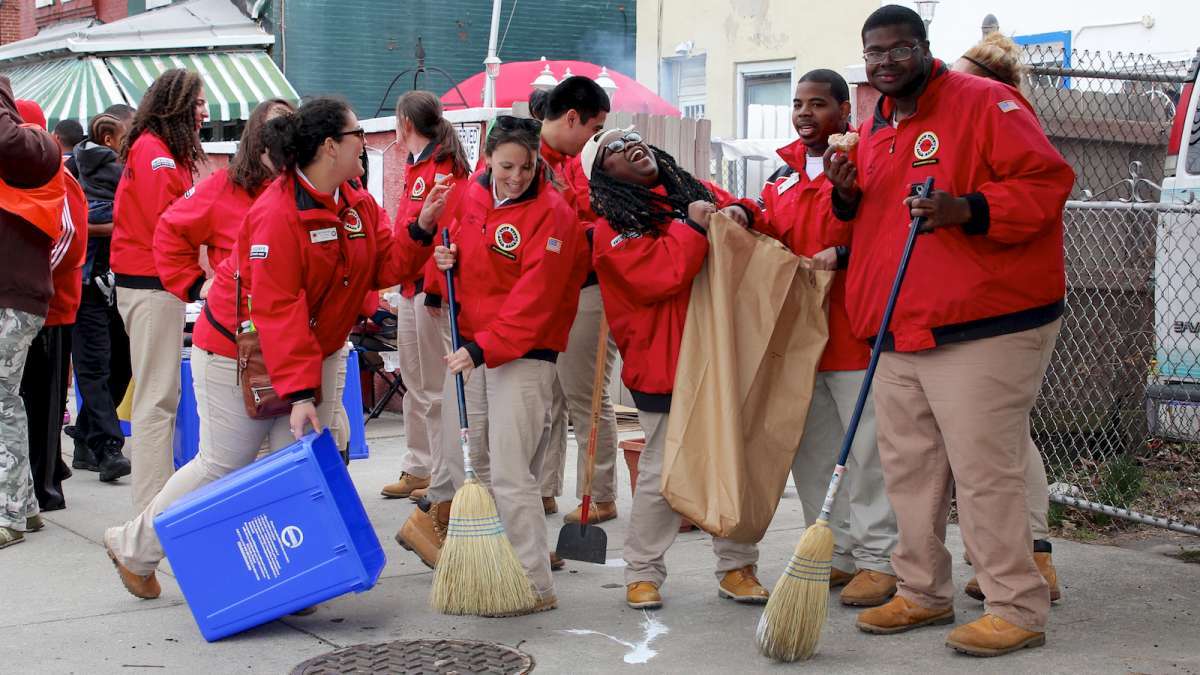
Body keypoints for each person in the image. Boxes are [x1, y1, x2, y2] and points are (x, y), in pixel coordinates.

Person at [104, 95, 438, 599]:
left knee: (296, 462)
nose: (366, 146)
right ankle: (134, 547)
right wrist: (302, 393)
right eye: (356, 137)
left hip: (310, 352)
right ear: (329, 146)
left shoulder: (353, 200)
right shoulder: (276, 213)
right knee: (223, 462)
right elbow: (276, 310)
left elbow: (382, 265)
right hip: (240, 352)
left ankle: (292, 578)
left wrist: (420, 230)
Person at [827, 5, 1073, 657]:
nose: (884, 63)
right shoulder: (875, 127)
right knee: (911, 467)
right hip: (900, 323)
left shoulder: (983, 102)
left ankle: (1015, 603)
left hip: (984, 320)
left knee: (983, 467)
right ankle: (922, 589)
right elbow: (877, 223)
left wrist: (968, 208)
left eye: (897, 50)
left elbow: (1046, 184)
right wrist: (846, 197)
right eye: (872, 53)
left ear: (923, 47)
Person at [583, 125, 768, 610]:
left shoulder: (694, 193)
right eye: (613, 151)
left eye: (629, 137)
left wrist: (740, 211)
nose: (628, 146)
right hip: (663, 366)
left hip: (721, 354)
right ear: (605, 176)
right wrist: (693, 225)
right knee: (663, 473)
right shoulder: (611, 229)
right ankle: (642, 571)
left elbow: (758, 214)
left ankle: (737, 566)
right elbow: (661, 275)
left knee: (733, 463)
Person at [423, 115, 586, 615]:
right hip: (474, 345)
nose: (516, 176)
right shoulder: (469, 197)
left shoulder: (553, 215)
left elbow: (535, 299)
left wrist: (481, 347)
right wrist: (443, 258)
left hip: (523, 353)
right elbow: (447, 250)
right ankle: (493, 573)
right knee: (476, 465)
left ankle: (535, 583)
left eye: (527, 165)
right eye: (507, 165)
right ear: (489, 159)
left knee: (513, 472)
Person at [754, 69, 900, 607]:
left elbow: (883, 237)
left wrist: (846, 256)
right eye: (797, 103)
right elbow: (771, 235)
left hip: (852, 332)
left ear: (844, 112)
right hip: (799, 338)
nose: (804, 113)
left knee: (866, 452)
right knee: (812, 452)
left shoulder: (866, 165)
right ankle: (835, 552)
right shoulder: (781, 177)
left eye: (818, 104)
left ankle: (880, 559)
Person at [951, 31, 1062, 605]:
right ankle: (1029, 558)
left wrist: (966, 210)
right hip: (989, 304)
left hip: (1009, 307)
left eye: (962, 74)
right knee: (1007, 437)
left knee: (1001, 442)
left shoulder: (1001, 117)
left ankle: (1029, 563)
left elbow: (1034, 197)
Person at [110, 69, 208, 512]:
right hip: (151, 287)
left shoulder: (164, 150)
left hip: (156, 286)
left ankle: (156, 500)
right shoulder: (157, 153)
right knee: (157, 398)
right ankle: (152, 508)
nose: (205, 111)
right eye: (199, 102)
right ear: (179, 105)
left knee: (159, 394)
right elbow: (167, 224)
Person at [534, 76, 622, 526]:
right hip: (548, 292)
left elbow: (598, 222)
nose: (598, 137)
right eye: (594, 127)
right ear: (571, 118)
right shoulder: (523, 157)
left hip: (588, 287)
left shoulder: (590, 161)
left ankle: (598, 492)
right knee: (548, 395)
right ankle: (544, 489)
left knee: (585, 394)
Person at [380, 91, 470, 505]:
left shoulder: (442, 169)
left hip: (428, 289)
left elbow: (447, 236)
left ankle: (441, 477)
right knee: (416, 383)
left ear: (405, 122)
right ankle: (419, 464)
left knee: (434, 389)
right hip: (411, 286)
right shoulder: (419, 165)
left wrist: (433, 289)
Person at [0, 76, 65, 549]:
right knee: (7, 403)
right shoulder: (32, 175)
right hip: (22, 297)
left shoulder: (26, 166)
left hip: (11, 296)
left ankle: (8, 513)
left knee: (3, 404)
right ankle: (23, 505)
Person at [14, 100, 89, 512]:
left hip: (51, 307)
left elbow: (69, 240)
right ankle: (45, 472)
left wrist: (31, 279)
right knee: (30, 399)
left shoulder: (57, 174)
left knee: (44, 402)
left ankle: (46, 488)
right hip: (34, 303)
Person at [154, 98, 296, 303]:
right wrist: (194, 285)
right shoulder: (225, 186)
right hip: (239, 319)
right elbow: (170, 228)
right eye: (274, 133)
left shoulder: (306, 185)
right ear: (257, 140)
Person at [66, 109, 134, 480]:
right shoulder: (88, 168)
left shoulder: (121, 170)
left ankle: (83, 439)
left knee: (119, 368)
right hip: (88, 284)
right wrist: (122, 224)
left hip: (116, 283)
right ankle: (109, 447)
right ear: (110, 138)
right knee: (94, 369)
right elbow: (81, 220)